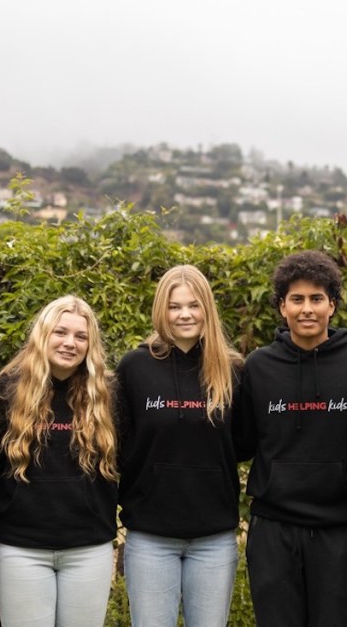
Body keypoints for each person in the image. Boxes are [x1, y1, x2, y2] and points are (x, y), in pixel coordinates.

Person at [236, 250, 347, 627]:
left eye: (317, 298)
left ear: (332, 305)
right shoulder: (258, 367)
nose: (307, 309)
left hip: (339, 529)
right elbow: (243, 441)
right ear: (282, 307)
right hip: (273, 528)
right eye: (296, 299)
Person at [116, 265, 244, 626]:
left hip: (213, 539)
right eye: (174, 306)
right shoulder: (135, 367)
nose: (184, 314)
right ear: (162, 310)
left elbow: (243, 441)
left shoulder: (232, 370)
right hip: (150, 537)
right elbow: (119, 441)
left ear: (207, 309)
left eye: (193, 305)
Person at [0, 295, 119, 627]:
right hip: (20, 550)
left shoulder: (108, 393)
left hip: (89, 549)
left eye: (80, 336)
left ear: (90, 344)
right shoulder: (7, 389)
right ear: (43, 334)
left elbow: (128, 462)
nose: (70, 343)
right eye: (60, 332)